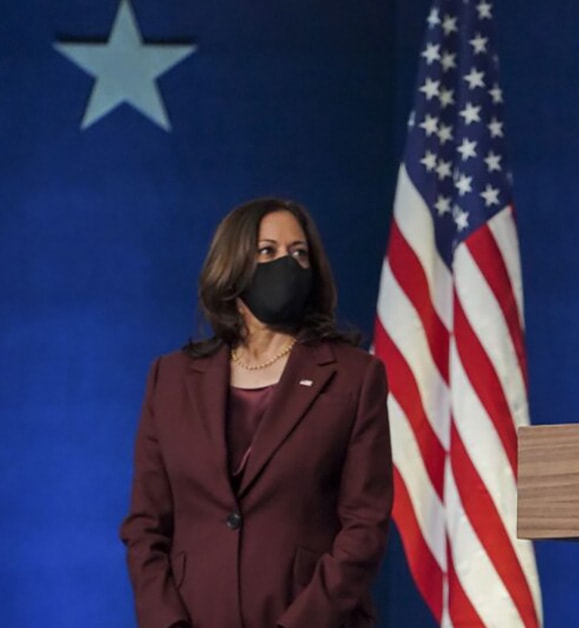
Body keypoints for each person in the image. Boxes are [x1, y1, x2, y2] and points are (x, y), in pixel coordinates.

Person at [120, 197, 393, 628]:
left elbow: (365, 526)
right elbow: (146, 526)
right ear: (231, 266)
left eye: (298, 254)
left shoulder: (355, 376)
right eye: (266, 251)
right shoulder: (169, 379)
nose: (285, 264)